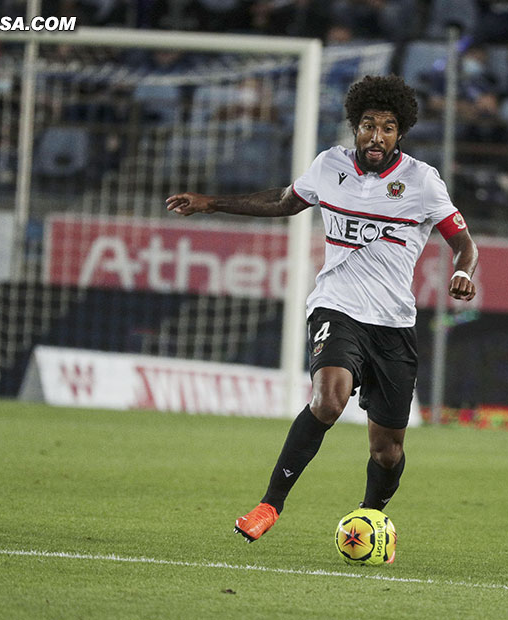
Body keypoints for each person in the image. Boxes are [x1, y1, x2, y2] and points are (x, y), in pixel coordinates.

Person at [164, 75, 479, 543]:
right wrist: (213, 203)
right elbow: (284, 202)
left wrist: (464, 272)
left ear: (400, 134)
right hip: (337, 307)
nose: (377, 136)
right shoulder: (329, 165)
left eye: (388, 127)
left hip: (393, 324)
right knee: (327, 399)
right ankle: (270, 504)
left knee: (388, 451)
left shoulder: (422, 181)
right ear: (355, 127)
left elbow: (464, 244)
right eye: (369, 125)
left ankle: (368, 519)